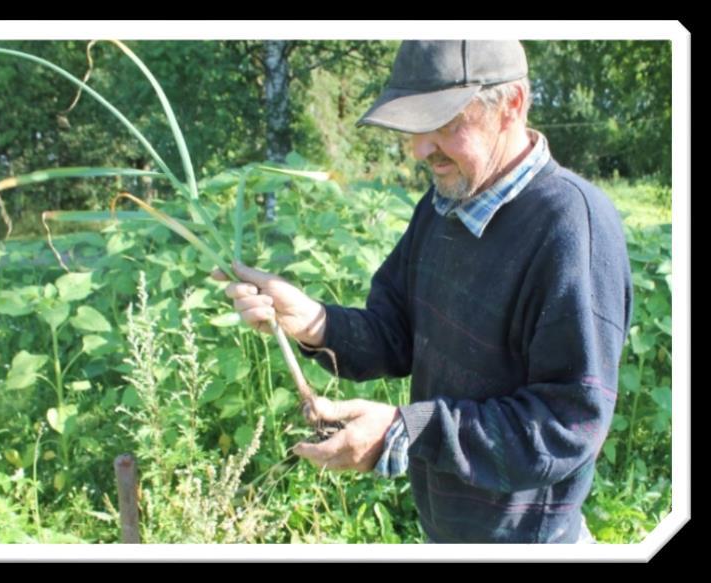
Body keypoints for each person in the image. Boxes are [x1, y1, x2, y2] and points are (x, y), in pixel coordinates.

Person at [212, 40, 633, 544]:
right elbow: (396, 334)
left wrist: (408, 429)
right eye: (415, 128)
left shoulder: (571, 228)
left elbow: (568, 424)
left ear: (513, 106)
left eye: (447, 124)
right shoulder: (444, 205)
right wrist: (313, 321)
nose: (419, 149)